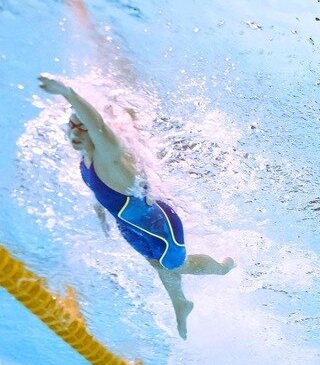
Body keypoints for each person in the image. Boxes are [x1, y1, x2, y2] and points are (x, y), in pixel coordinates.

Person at [38, 73, 235, 337]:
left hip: (157, 224)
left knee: (175, 266)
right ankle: (180, 303)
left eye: (80, 125)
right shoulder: (85, 160)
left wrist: (68, 93)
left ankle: (221, 269)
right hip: (129, 226)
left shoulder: (110, 156)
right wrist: (100, 211)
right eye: (70, 125)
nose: (74, 130)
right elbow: (100, 192)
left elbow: (98, 126)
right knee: (157, 265)